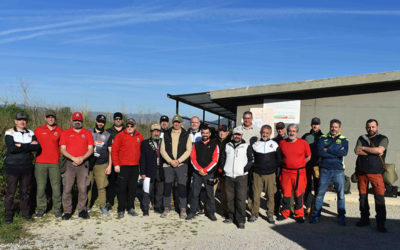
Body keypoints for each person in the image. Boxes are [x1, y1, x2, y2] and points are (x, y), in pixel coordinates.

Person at [4, 112, 41, 224]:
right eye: (20, 120)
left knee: (25, 191)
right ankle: (8, 215)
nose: (22, 122)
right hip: (12, 166)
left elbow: (37, 146)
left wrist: (20, 145)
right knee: (11, 192)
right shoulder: (9, 132)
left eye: (24, 120)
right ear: (15, 121)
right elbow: (12, 148)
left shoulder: (30, 132)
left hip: (26, 166)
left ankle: (26, 213)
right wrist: (28, 146)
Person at [311, 119, 348, 226]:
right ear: (330, 127)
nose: (333, 129)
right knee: (320, 194)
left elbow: (344, 152)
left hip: (338, 170)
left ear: (339, 128)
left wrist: (328, 150)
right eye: (332, 126)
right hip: (325, 170)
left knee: (341, 194)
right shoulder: (323, 138)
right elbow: (320, 152)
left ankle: (341, 216)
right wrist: (336, 152)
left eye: (336, 127)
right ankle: (316, 215)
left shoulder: (344, 139)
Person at [354, 119, 388, 232]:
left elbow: (380, 150)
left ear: (377, 127)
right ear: (366, 127)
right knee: (362, 198)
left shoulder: (383, 138)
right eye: (369, 127)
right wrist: (373, 151)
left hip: (376, 173)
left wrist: (364, 148)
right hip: (362, 172)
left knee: (379, 198)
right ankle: (364, 219)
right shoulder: (361, 138)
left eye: (373, 127)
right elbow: (356, 151)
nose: (371, 129)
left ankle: (381, 223)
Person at [59, 112, 94, 220]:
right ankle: (67, 211)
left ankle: (82, 210)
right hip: (69, 163)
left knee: (83, 188)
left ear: (82, 121)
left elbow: (91, 149)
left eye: (79, 120)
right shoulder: (66, 133)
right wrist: (73, 158)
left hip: (83, 164)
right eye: (75, 120)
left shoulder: (87, 133)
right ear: (72, 121)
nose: (77, 122)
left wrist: (81, 158)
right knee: (67, 188)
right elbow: (63, 149)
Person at [220, 127, 253, 229]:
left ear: (242, 136)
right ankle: (230, 216)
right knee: (229, 198)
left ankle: (240, 219)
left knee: (240, 198)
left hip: (241, 177)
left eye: (239, 134)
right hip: (229, 176)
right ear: (232, 135)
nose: (237, 136)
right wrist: (224, 168)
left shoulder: (246, 146)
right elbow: (222, 158)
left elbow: (251, 160)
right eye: (235, 134)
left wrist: (244, 170)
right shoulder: (227, 145)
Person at [160, 114, 192, 219]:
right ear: (172, 123)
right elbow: (162, 150)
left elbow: (189, 150)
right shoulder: (166, 133)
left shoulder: (186, 134)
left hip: (181, 165)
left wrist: (178, 161)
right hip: (168, 165)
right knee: (167, 186)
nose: (176, 124)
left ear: (181, 123)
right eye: (175, 122)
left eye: (178, 122)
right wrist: (170, 161)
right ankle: (166, 207)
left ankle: (183, 209)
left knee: (182, 187)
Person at [277, 124, 311, 223]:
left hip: (299, 173)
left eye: (294, 131)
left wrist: (300, 164)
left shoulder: (303, 143)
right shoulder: (282, 143)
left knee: (299, 194)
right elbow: (280, 156)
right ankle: (285, 213)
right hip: (285, 172)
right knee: (286, 194)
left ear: (297, 132)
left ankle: (299, 214)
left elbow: (308, 156)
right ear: (287, 132)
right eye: (290, 131)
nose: (291, 133)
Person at [33, 110, 63, 218]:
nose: (51, 119)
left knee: (56, 188)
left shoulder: (60, 131)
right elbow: (29, 141)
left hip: (55, 163)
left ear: (55, 119)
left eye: (52, 117)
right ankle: (41, 208)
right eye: (48, 117)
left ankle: (57, 209)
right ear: (45, 118)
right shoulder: (38, 130)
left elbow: (63, 147)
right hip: (40, 163)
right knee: (41, 187)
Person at [112, 118, 144, 219]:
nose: (129, 128)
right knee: (122, 189)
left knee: (132, 189)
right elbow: (114, 151)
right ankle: (121, 209)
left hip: (135, 167)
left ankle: (130, 208)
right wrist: (116, 164)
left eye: (132, 126)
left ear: (135, 126)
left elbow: (142, 151)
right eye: (128, 126)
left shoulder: (139, 136)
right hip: (123, 166)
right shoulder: (120, 136)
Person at [249, 125, 281, 224]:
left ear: (270, 133)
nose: (265, 134)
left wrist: (273, 168)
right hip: (257, 174)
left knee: (270, 195)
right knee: (255, 195)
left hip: (270, 174)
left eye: (267, 133)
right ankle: (254, 213)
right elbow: (251, 158)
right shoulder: (255, 144)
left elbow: (279, 159)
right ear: (261, 133)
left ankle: (270, 214)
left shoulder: (274, 144)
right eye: (263, 132)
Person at [186, 126, 219, 221]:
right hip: (197, 173)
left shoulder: (214, 145)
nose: (205, 134)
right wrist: (200, 169)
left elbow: (215, 160)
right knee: (195, 193)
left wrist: (206, 170)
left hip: (209, 174)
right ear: (201, 133)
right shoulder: (195, 145)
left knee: (210, 194)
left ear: (210, 134)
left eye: (206, 133)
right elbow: (193, 158)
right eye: (203, 133)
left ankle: (211, 212)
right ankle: (192, 211)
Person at [87, 114, 112, 216]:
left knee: (101, 187)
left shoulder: (107, 135)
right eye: (99, 121)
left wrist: (110, 165)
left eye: (102, 122)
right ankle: (87, 205)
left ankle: (102, 206)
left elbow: (111, 152)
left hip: (102, 164)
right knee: (88, 186)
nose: (100, 123)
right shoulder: (88, 132)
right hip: (88, 163)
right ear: (96, 121)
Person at [140, 123, 164, 215]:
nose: (156, 133)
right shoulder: (145, 143)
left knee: (159, 190)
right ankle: (145, 208)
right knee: (147, 190)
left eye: (158, 131)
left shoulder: (163, 142)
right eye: (154, 131)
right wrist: (142, 172)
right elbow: (142, 158)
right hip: (149, 170)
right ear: (151, 132)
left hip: (161, 170)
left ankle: (157, 207)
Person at [301, 117, 323, 216]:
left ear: (320, 125)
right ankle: (308, 206)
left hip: (318, 165)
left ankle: (317, 207)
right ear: (311, 125)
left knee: (318, 186)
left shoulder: (323, 136)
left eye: (317, 124)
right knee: (307, 186)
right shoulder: (306, 136)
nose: (315, 125)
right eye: (314, 124)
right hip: (307, 165)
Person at [105, 112, 125, 211]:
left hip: (124, 161)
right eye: (116, 118)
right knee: (111, 182)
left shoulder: (126, 130)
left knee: (123, 182)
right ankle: (109, 201)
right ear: (113, 120)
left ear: (122, 120)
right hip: (112, 160)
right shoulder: (108, 132)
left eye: (120, 119)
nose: (118, 120)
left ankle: (123, 201)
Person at [213, 125, 230, 218]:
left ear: (227, 132)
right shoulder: (213, 141)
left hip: (224, 171)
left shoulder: (230, 142)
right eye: (220, 131)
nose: (221, 133)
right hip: (214, 171)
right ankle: (209, 209)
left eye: (223, 131)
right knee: (211, 192)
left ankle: (224, 211)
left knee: (224, 193)